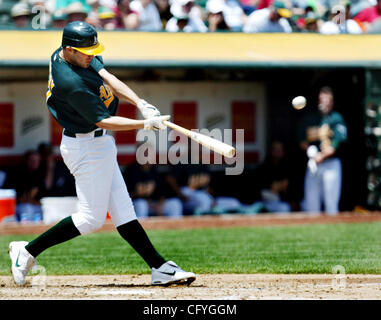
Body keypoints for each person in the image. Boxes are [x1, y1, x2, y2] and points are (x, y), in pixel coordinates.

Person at [8, 21, 196, 287]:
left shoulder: (72, 54)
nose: (91, 55)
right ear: (70, 50)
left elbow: (108, 77)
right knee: (90, 218)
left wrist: (141, 104)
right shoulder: (70, 82)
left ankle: (159, 267)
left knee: (123, 211)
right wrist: (145, 124)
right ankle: (26, 251)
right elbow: (105, 121)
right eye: (86, 51)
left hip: (99, 145)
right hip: (84, 146)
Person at [301, 86, 347, 215]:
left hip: (331, 164)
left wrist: (321, 156)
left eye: (328, 100)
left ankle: (332, 230)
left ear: (332, 102)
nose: (325, 103)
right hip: (313, 164)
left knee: (331, 203)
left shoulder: (336, 118)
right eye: (323, 99)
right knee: (311, 202)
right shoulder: (310, 119)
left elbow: (337, 143)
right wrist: (311, 152)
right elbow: (301, 140)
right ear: (318, 101)